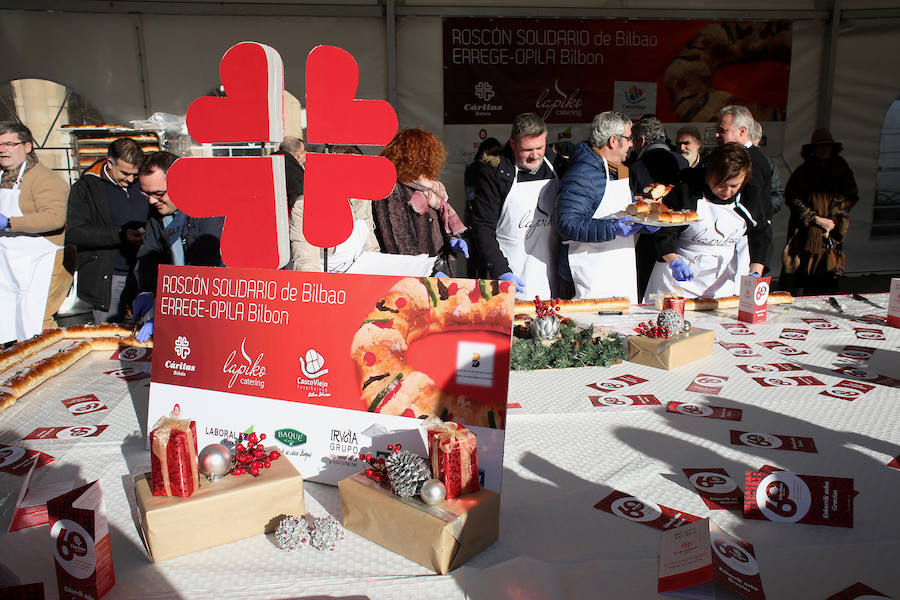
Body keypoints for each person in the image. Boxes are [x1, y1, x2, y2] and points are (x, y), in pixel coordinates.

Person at [643, 143, 770, 301]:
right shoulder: (686, 193)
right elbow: (664, 234)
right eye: (721, 185)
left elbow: (761, 236)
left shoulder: (750, 198)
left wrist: (756, 271)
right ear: (710, 173)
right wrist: (674, 262)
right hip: (676, 283)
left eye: (734, 186)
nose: (727, 191)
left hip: (723, 284)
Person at [556, 111, 652, 303]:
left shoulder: (620, 170)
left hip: (619, 271)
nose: (632, 144)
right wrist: (612, 228)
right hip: (589, 275)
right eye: (629, 138)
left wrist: (645, 222)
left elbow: (626, 212)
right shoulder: (583, 174)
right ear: (614, 141)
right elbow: (567, 223)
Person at [132, 151, 224, 341]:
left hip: (212, 306)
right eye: (146, 194)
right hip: (181, 303)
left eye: (158, 194)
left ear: (180, 183)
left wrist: (169, 314)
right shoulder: (158, 213)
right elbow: (150, 252)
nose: (151, 201)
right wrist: (146, 290)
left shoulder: (209, 209)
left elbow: (203, 267)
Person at [470, 113, 561, 299]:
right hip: (511, 271)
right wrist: (500, 270)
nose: (535, 155)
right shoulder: (494, 173)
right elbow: (483, 227)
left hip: (550, 269)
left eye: (540, 147)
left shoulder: (557, 165)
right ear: (513, 143)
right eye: (527, 149)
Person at [0, 121, 71, 344]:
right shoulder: (4, 177)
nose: (3, 149)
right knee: (11, 321)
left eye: (10, 144)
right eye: (0, 144)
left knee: (39, 324)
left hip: (43, 261)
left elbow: (55, 218)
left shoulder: (44, 179)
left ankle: (51, 368)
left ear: (28, 146)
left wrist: (10, 222)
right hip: (10, 263)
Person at [66, 138, 148, 324]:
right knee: (110, 334)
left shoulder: (140, 182)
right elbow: (75, 232)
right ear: (109, 163)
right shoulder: (86, 187)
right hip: (109, 277)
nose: (130, 179)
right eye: (125, 173)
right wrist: (119, 235)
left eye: (135, 174)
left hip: (142, 272)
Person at [373, 128, 467, 276]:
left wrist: (452, 240)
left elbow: (438, 227)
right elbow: (398, 242)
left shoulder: (432, 189)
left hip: (437, 275)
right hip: (412, 279)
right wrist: (428, 270)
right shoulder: (393, 189)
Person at [780, 129, 858, 296]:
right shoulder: (803, 171)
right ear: (813, 149)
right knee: (800, 268)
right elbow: (793, 198)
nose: (824, 150)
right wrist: (814, 218)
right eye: (820, 146)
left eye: (827, 146)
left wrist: (835, 216)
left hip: (833, 228)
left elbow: (851, 194)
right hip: (806, 230)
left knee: (828, 268)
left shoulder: (841, 169)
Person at [628, 117, 689, 300]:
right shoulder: (683, 162)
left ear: (642, 141)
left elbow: (632, 205)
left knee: (645, 293)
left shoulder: (636, 167)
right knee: (677, 294)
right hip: (679, 237)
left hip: (648, 237)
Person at [717, 106, 784, 270]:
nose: (717, 135)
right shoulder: (736, 156)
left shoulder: (753, 160)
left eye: (722, 130)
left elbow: (756, 204)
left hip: (745, 238)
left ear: (742, 131)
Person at [463, 137, 502, 278]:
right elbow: (473, 196)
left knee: (474, 264)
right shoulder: (486, 170)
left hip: (472, 219)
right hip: (485, 219)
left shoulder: (471, 168)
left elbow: (470, 198)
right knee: (483, 259)